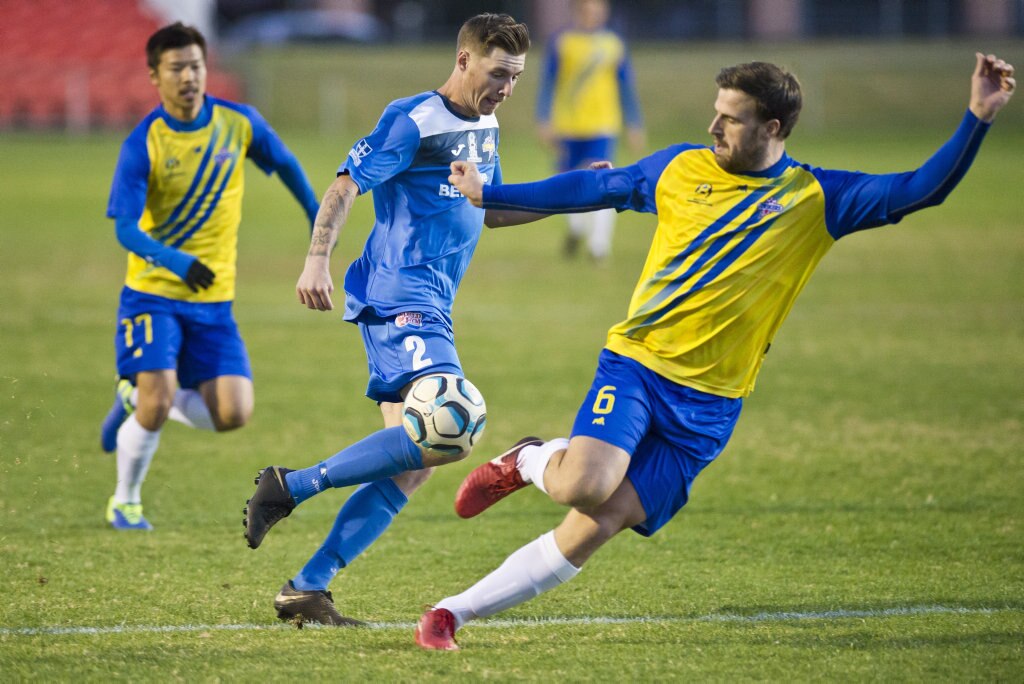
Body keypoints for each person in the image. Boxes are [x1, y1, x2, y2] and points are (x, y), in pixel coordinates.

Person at [414, 53, 1016, 650]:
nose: (713, 127)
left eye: (730, 118)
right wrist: (492, 192)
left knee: (597, 525)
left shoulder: (817, 199)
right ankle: (529, 461)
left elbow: (920, 189)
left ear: (772, 128)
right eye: (716, 112)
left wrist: (977, 117)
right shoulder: (681, 167)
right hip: (639, 364)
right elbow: (599, 184)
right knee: (584, 486)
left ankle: (449, 613)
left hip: (710, 406)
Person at [242, 13, 534, 627]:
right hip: (403, 295)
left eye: (516, 77)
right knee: (454, 423)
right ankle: (291, 486)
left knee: (415, 462)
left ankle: (307, 586)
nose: (507, 87)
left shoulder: (489, 124)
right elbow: (347, 184)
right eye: (498, 73)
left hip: (433, 304)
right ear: (463, 61)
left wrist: (576, 193)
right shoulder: (415, 119)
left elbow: (495, 209)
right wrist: (317, 258)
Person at [100, 22, 320, 530]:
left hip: (215, 300)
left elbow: (286, 164)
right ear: (155, 76)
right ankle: (125, 500)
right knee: (155, 407)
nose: (189, 76)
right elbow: (127, 232)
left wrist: (316, 220)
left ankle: (133, 394)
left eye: (196, 65)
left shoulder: (239, 124)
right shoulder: (144, 143)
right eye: (176, 68)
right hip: (152, 294)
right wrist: (177, 262)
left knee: (233, 414)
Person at [536, 0, 645, 262]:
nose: (594, 16)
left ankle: (599, 245)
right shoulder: (562, 41)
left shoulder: (613, 44)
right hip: (568, 123)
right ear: (577, 11)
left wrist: (634, 123)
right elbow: (548, 82)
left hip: (602, 123)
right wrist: (543, 119)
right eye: (588, 10)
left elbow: (625, 86)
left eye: (599, 11)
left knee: (603, 179)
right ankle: (576, 228)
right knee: (569, 179)